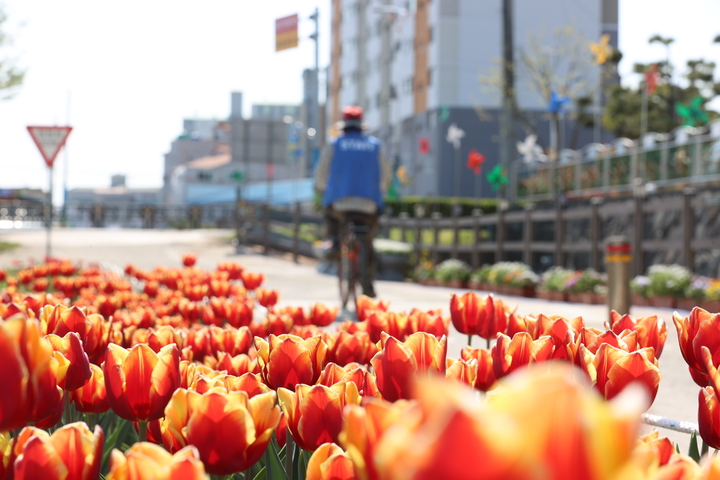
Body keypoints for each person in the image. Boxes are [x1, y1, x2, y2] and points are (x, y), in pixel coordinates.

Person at [315, 105, 392, 298]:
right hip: (369, 204)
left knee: (331, 216)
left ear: (344, 125)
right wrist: (378, 189)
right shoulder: (375, 145)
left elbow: (321, 174)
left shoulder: (335, 144)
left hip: (340, 203)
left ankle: (333, 242)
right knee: (367, 238)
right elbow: (386, 175)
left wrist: (322, 188)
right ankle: (369, 282)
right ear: (361, 126)